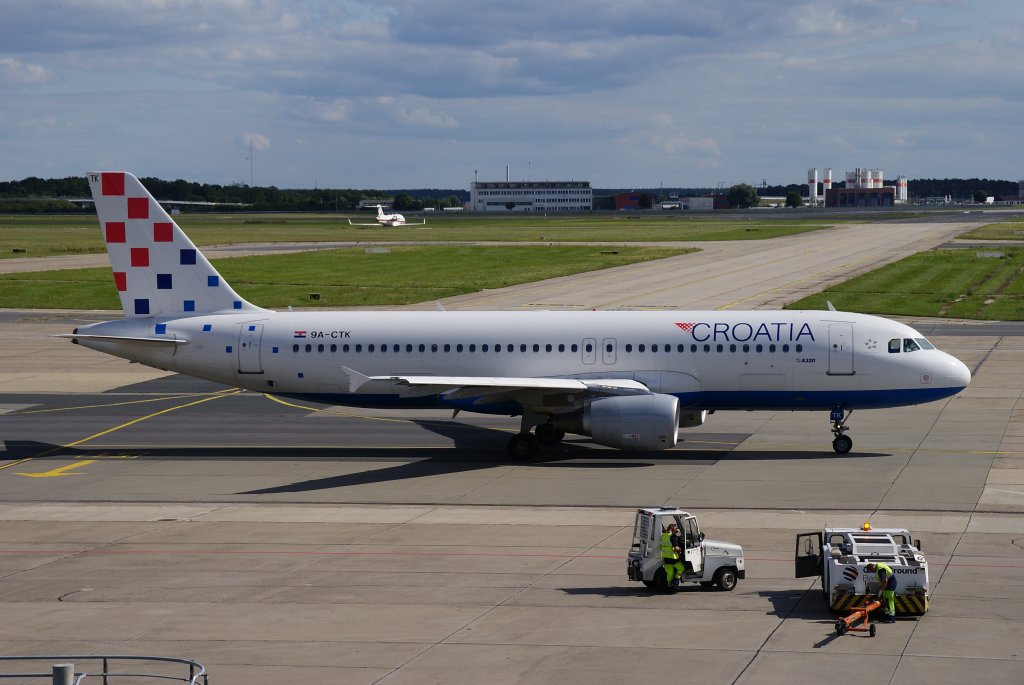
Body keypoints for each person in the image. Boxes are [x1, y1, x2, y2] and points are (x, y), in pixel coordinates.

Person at [661, 523, 685, 591]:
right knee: (681, 568)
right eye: (675, 528)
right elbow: (676, 548)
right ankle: (675, 581)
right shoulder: (672, 537)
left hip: (666, 558)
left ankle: (670, 586)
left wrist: (674, 533)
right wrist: (681, 550)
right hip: (673, 558)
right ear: (672, 529)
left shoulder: (663, 536)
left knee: (670, 573)